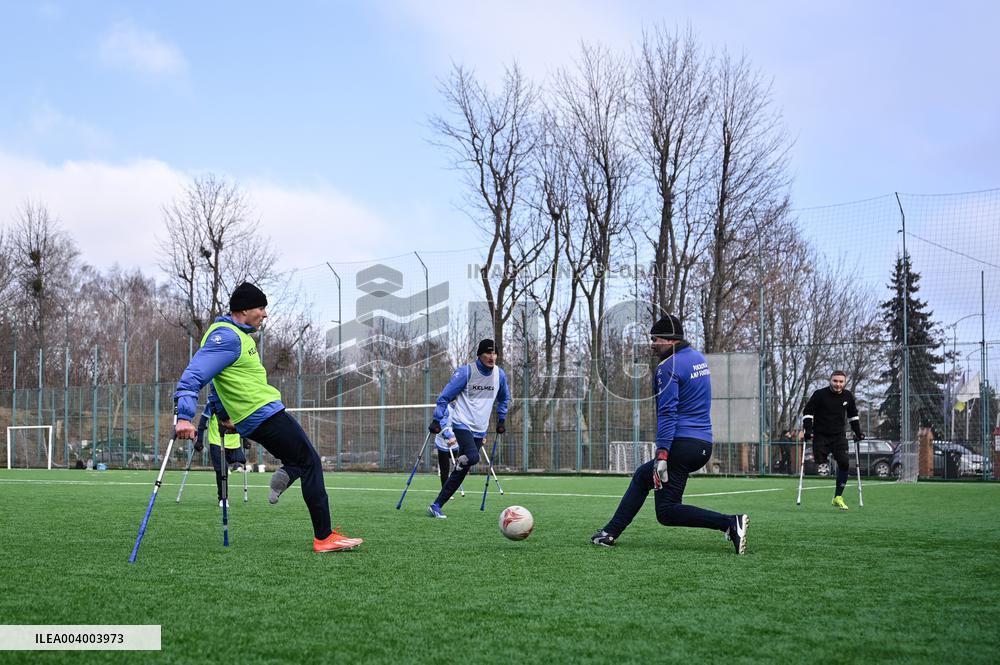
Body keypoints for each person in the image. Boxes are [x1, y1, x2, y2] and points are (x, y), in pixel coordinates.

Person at [174, 282, 363, 552]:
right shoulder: (226, 337)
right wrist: (184, 417)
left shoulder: (237, 337)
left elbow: (218, 381)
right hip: (263, 413)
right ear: (244, 309)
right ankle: (324, 537)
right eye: (261, 308)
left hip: (258, 415)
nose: (265, 314)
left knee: (302, 459)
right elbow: (194, 375)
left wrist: (225, 416)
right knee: (310, 461)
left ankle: (285, 476)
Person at [591, 314, 749, 554]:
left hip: (680, 445)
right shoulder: (698, 359)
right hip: (702, 444)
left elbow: (667, 412)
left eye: (655, 339)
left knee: (665, 509)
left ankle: (729, 523)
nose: (652, 344)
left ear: (671, 340)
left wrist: (662, 453)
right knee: (647, 483)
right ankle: (610, 532)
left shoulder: (667, 367)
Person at [426, 339, 509, 519]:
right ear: (480, 354)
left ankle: (436, 505)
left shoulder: (499, 375)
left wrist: (501, 419)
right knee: (472, 457)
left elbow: (504, 398)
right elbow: (444, 397)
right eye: (488, 353)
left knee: (460, 471)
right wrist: (437, 419)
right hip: (462, 423)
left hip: (480, 429)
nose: (492, 357)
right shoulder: (466, 372)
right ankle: (461, 461)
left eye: (494, 353)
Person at [802, 370, 864, 510]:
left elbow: (853, 415)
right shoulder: (819, 394)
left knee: (844, 463)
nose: (838, 384)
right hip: (821, 435)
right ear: (830, 380)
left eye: (841, 381)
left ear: (845, 382)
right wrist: (808, 430)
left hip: (839, 436)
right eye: (835, 381)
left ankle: (838, 497)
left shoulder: (848, 396)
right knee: (819, 462)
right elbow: (808, 412)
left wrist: (858, 432)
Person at [194, 403, 249, 507]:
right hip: (217, 442)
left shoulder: (235, 402)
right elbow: (203, 422)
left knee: (241, 460)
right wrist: (199, 440)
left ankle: (231, 467)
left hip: (234, 443)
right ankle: (223, 498)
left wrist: (245, 439)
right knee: (222, 470)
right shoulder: (212, 403)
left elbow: (241, 421)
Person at [433, 406, 460, 487]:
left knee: (460, 465)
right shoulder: (444, 407)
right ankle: (445, 490)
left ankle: (453, 486)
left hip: (456, 441)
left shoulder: (462, 406)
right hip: (442, 441)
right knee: (444, 469)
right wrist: (449, 436)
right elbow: (441, 424)